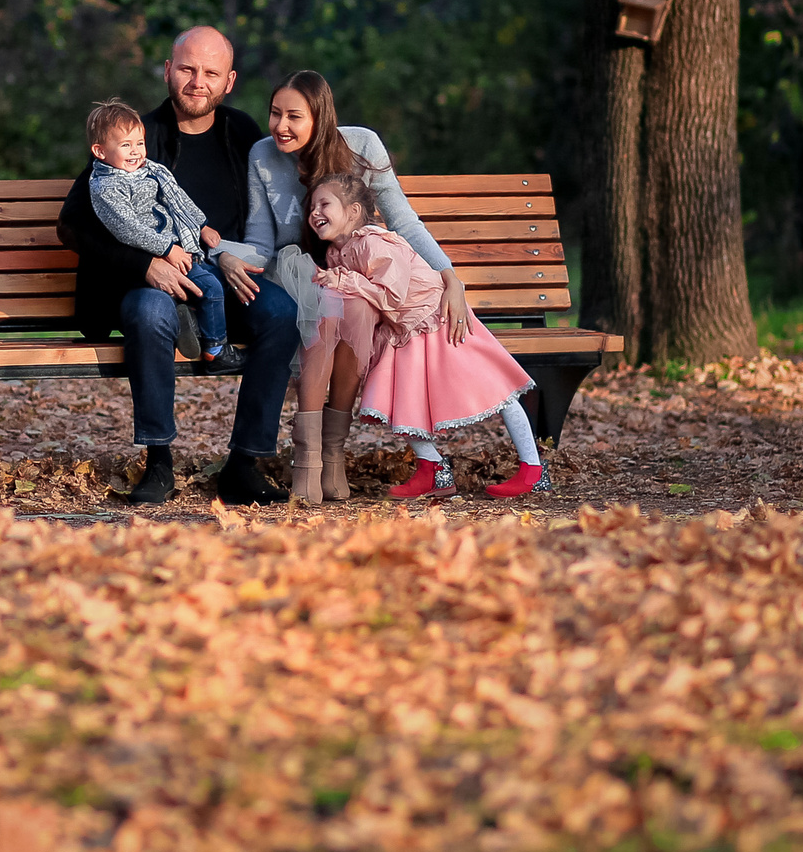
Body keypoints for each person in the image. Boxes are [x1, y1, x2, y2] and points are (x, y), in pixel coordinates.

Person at [55, 27, 301, 506]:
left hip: (222, 273)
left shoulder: (242, 132)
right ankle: (158, 461)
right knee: (149, 313)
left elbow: (288, 186)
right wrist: (144, 264)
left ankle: (243, 465)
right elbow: (72, 224)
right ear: (169, 71)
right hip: (154, 279)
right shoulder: (134, 137)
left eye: (211, 72)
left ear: (229, 81)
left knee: (281, 314)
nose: (197, 82)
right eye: (187, 69)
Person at [222, 69, 481, 502]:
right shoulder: (262, 155)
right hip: (297, 271)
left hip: (356, 276)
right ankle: (307, 456)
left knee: (355, 307)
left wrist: (448, 275)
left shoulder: (362, 146)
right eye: (275, 113)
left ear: (319, 117)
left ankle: (333, 452)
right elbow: (261, 242)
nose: (280, 126)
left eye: (294, 116)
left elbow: (403, 222)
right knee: (326, 307)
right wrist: (226, 254)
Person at [302, 172, 548, 500]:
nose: (315, 212)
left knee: (494, 386)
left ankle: (533, 469)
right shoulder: (337, 253)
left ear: (353, 211)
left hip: (438, 318)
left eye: (324, 204)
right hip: (402, 331)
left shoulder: (375, 243)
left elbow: (392, 295)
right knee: (400, 396)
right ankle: (432, 468)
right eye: (312, 206)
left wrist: (343, 281)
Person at [83, 98, 225, 363]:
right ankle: (216, 348)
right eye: (126, 145)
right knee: (209, 287)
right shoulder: (106, 187)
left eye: (140, 143)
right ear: (100, 151)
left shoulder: (152, 170)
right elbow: (128, 229)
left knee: (211, 283)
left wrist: (201, 225)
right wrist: (168, 249)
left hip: (176, 248)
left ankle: (192, 325)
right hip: (147, 260)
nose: (136, 151)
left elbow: (178, 198)